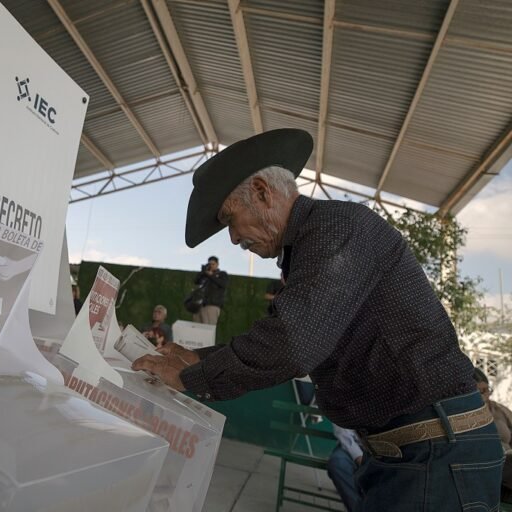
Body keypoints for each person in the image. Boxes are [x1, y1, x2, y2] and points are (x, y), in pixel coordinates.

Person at [133, 128, 502, 510]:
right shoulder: (314, 242)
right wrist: (197, 358)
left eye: (230, 219)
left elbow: (292, 341)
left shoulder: (335, 228)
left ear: (262, 192)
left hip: (435, 454)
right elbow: (288, 332)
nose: (232, 238)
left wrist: (191, 376)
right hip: (411, 452)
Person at [474, 367, 512, 500]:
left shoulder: (499, 410)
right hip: (484, 466)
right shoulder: (464, 415)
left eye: (487, 390)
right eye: (480, 391)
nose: (486, 395)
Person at [327, 426, 363, 512]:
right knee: (338, 463)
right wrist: (358, 456)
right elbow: (343, 432)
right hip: (352, 445)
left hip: (382, 449)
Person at [192, 256, 228, 325]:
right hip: (199, 305)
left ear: (217, 264)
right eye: (209, 264)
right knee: (196, 329)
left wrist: (211, 275)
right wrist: (202, 272)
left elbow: (223, 284)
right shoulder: (205, 275)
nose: (211, 266)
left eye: (213, 264)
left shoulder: (222, 274)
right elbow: (196, 281)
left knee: (208, 329)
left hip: (212, 305)